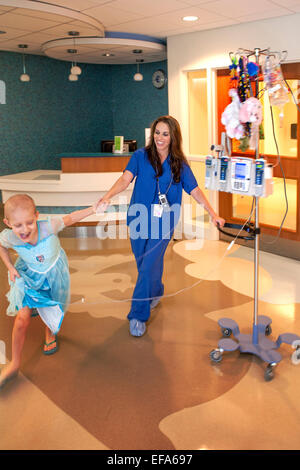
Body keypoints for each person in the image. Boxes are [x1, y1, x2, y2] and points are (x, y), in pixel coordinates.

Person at [96, 115, 225, 338]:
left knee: (147, 266)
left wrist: (213, 214)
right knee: (143, 264)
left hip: (163, 223)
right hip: (138, 219)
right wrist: (107, 196)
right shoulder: (139, 156)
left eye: (165, 134)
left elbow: (194, 190)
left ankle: (137, 315)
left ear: (173, 136)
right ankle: (156, 290)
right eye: (157, 133)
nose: (160, 138)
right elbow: (125, 180)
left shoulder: (180, 164)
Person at [0, 194, 100, 389]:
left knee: (53, 307)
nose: (25, 229)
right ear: (8, 223)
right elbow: (2, 246)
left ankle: (49, 331)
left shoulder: (48, 227)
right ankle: (15, 363)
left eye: (29, 222)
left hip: (53, 273)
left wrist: (93, 208)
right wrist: (10, 267)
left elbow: (71, 218)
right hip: (28, 275)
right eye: (18, 225)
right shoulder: (9, 236)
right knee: (22, 318)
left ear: (37, 216)